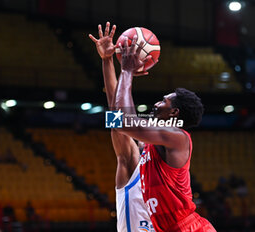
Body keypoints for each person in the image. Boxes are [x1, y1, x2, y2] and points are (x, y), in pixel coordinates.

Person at [111, 34, 217, 232]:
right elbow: (115, 119)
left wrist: (127, 72)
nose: (156, 104)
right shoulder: (153, 142)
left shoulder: (177, 137)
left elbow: (122, 121)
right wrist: (108, 62)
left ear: (174, 112)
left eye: (163, 101)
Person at [89, 22, 153, 232]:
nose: (141, 134)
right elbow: (117, 116)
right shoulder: (133, 165)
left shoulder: (168, 183)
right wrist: (108, 61)